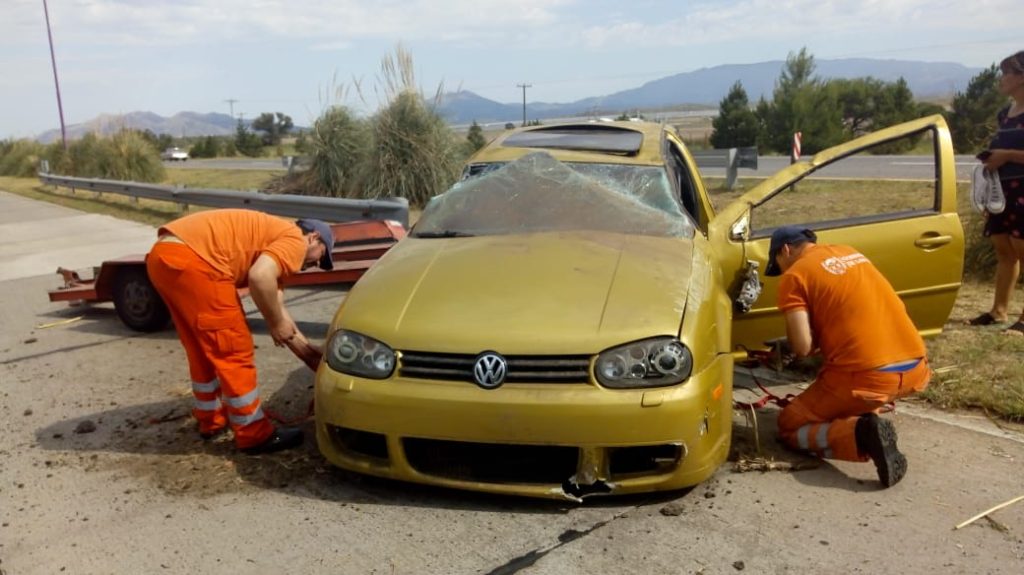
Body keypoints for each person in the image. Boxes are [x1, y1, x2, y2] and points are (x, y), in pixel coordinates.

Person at [145, 209, 334, 454]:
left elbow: (277, 307)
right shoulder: (294, 240)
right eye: (322, 256)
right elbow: (260, 278)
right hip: (198, 260)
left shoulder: (274, 239)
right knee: (233, 349)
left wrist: (307, 354)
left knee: (201, 348)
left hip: (165, 256)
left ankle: (211, 419)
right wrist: (275, 323)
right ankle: (254, 434)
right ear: (313, 237)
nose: (317, 265)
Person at [765, 226, 930, 488]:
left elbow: (803, 348)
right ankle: (865, 418)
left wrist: (789, 343)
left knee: (788, 425)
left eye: (778, 265)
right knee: (846, 402)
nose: (782, 272)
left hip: (866, 378)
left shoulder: (795, 276)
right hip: (916, 368)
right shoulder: (850, 253)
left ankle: (860, 435)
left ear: (785, 250)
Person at [967, 50, 1024, 336]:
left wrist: (1007, 155)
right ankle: (998, 310)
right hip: (1001, 191)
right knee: (1004, 249)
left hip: (1023, 189)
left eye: (1006, 73)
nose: (1001, 79)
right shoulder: (1005, 113)